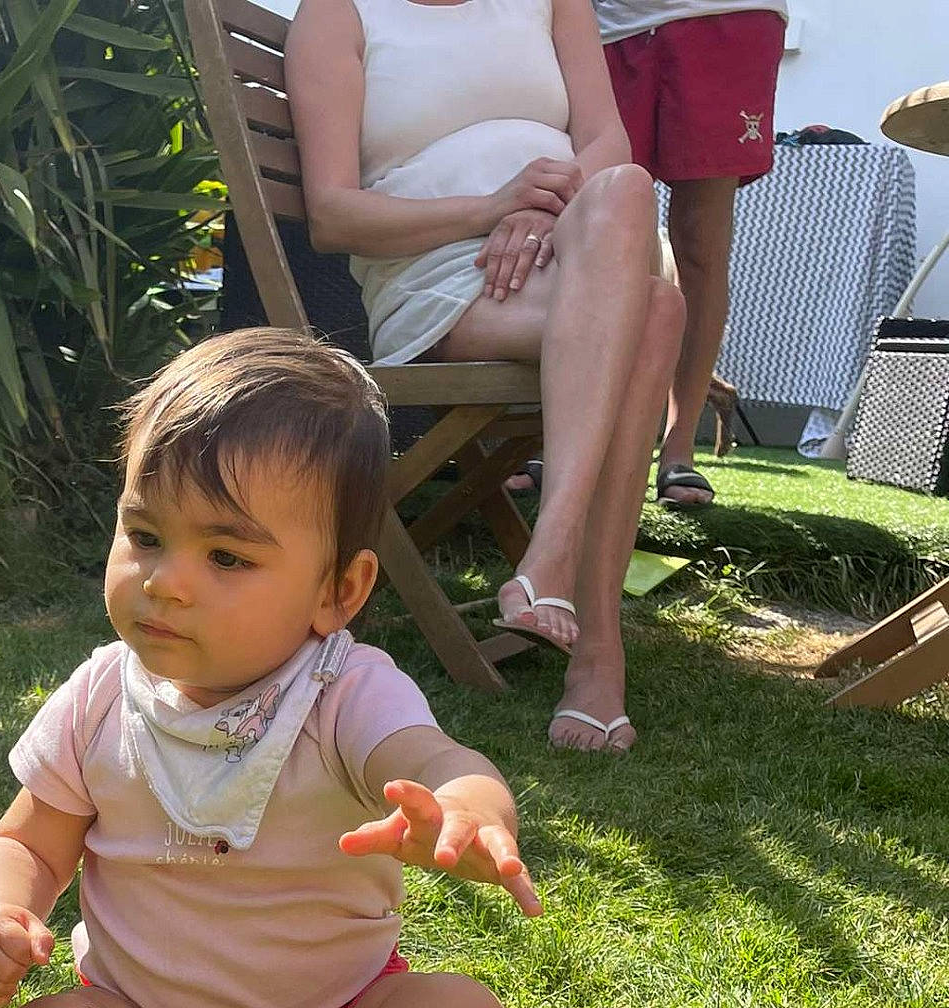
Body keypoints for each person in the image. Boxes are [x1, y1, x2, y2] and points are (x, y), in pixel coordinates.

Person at [0, 331, 541, 1008]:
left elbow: (440, 757)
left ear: (337, 592)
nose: (168, 580)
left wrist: (470, 808)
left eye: (226, 554)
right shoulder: (99, 698)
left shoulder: (345, 691)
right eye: (146, 536)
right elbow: (30, 843)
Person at [285, 0, 687, 755]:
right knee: (656, 315)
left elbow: (605, 139)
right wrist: (492, 209)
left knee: (628, 186)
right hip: (446, 279)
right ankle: (596, 653)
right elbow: (333, 216)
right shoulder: (338, 13)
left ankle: (554, 552)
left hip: (579, 247)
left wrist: (539, 214)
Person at [593, 0, 789, 506]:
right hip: (607, 23)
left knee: (700, 243)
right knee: (596, 232)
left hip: (728, 14)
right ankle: (576, 438)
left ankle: (679, 450)